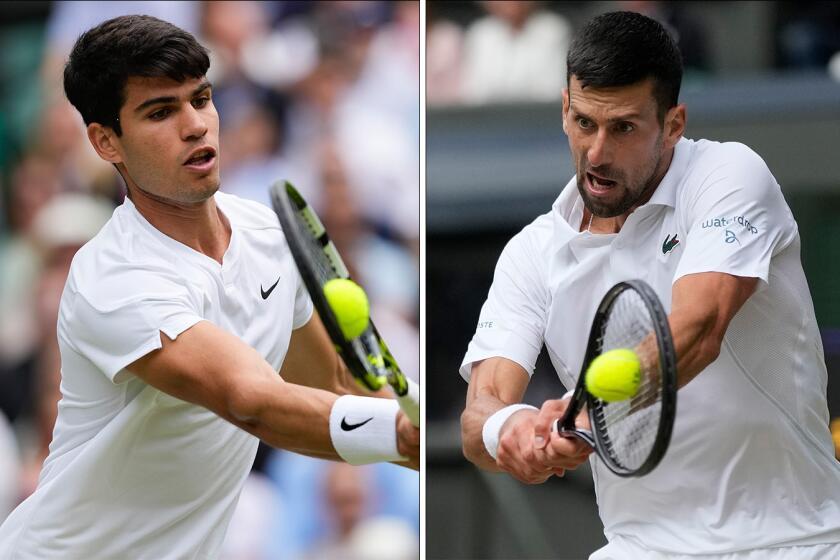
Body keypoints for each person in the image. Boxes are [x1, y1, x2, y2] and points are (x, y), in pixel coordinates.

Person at [0, 15, 418, 558]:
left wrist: (419, 434)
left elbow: (337, 384)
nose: (195, 125)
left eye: (201, 99)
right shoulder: (111, 278)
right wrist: (398, 433)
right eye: (161, 111)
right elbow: (251, 401)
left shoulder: (269, 238)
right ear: (106, 143)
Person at [459, 11, 840, 559]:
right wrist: (510, 431)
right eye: (584, 122)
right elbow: (480, 412)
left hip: (795, 541)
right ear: (565, 110)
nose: (597, 153)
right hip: (641, 548)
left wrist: (586, 413)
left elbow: (696, 329)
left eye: (624, 128)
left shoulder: (729, 175)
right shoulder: (530, 254)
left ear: (674, 123)